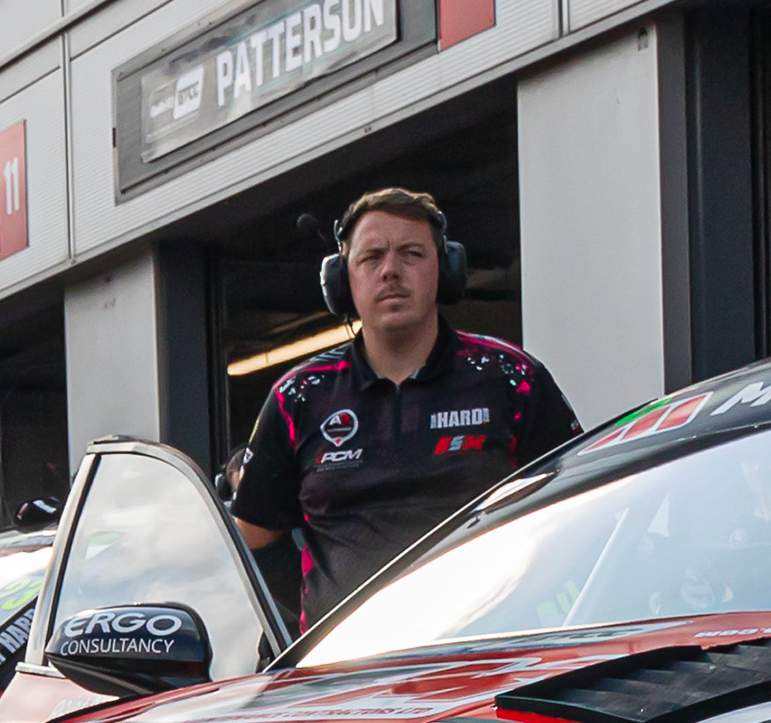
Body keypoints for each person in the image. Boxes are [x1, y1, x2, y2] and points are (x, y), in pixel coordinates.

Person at [230, 188, 581, 626]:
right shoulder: (298, 396)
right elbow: (255, 539)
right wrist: (319, 614)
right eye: (371, 257)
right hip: (348, 660)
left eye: (411, 254)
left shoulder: (511, 378)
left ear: (445, 269)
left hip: (486, 650)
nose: (390, 271)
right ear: (342, 280)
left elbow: (578, 508)